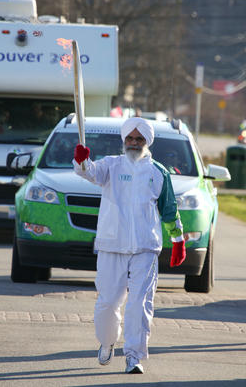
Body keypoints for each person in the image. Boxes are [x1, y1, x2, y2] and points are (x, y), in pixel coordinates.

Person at [73, 117, 186, 374]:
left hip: (145, 247)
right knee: (108, 302)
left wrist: (178, 240)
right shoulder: (110, 166)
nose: (134, 143)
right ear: (124, 140)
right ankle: (107, 341)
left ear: (147, 141)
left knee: (140, 303)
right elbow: (88, 172)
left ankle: (134, 356)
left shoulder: (158, 172)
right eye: (130, 138)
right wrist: (81, 160)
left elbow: (169, 210)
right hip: (112, 244)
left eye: (139, 139)